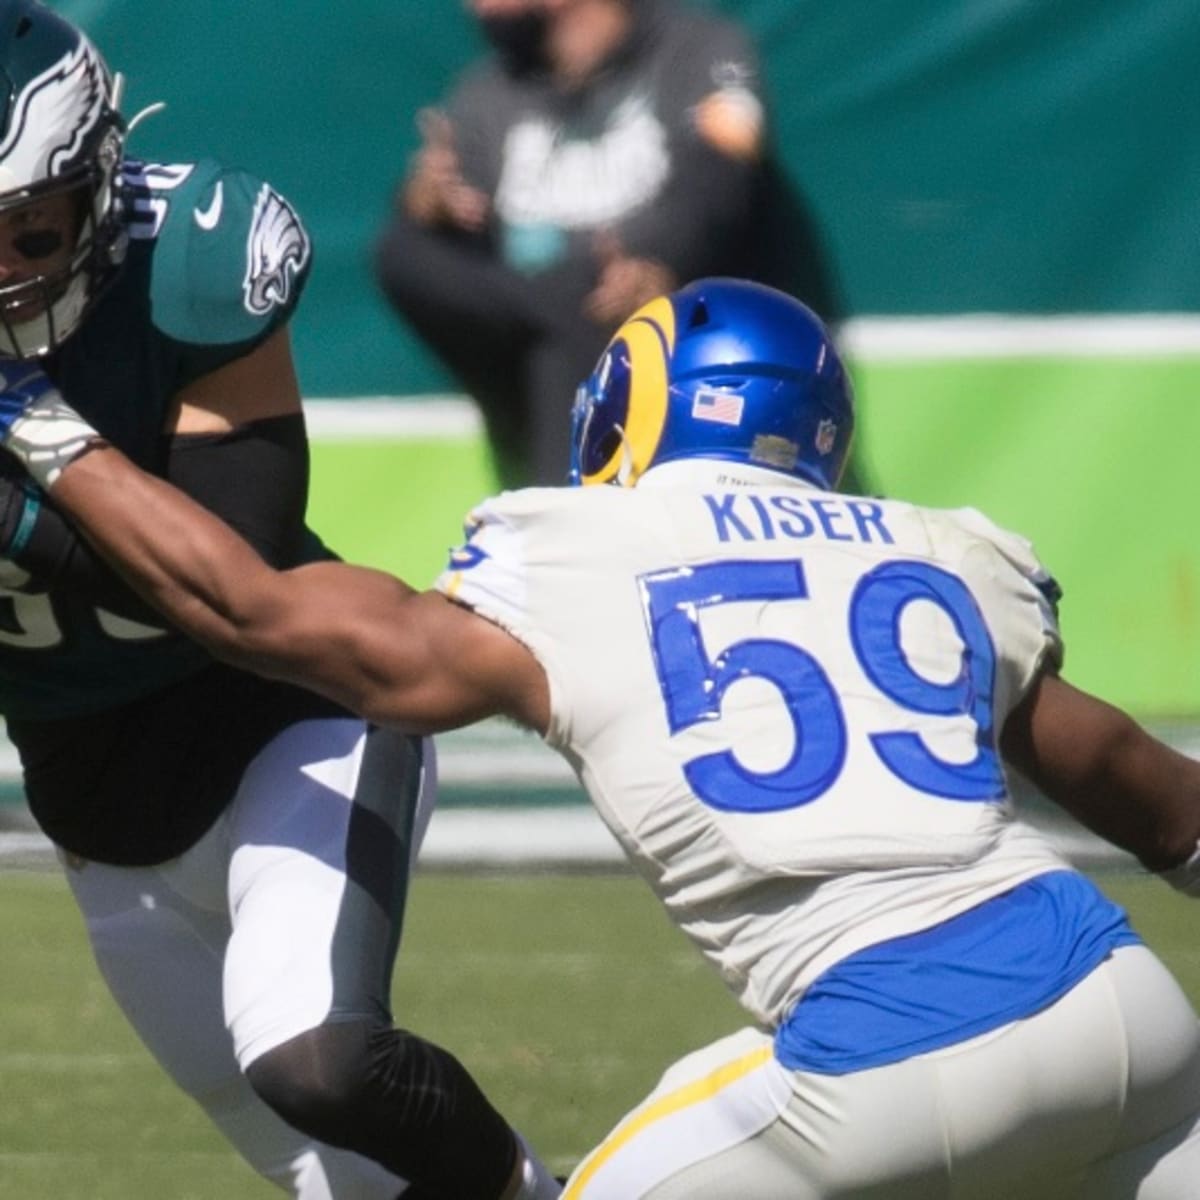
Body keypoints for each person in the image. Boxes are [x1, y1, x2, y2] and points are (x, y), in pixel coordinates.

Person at [6, 276, 1200, 1199]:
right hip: (1127, 1010)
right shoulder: (942, 550)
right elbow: (1159, 803)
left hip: (883, 1044)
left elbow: (254, 616)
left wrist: (46, 428)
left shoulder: (578, 548)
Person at [0, 3, 560, 1198]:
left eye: (23, 232)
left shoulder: (185, 255)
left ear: (96, 185)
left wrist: (23, 443)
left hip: (283, 730)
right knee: (345, 1186)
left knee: (320, 1061)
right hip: (100, 819)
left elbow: (230, 573)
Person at [375, 0, 790, 488]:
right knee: (405, 250)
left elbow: (727, 165)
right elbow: (436, 202)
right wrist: (428, 201)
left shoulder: (696, 48)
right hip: (538, 325)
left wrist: (660, 267)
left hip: (680, 336)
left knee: (573, 333)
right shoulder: (488, 88)